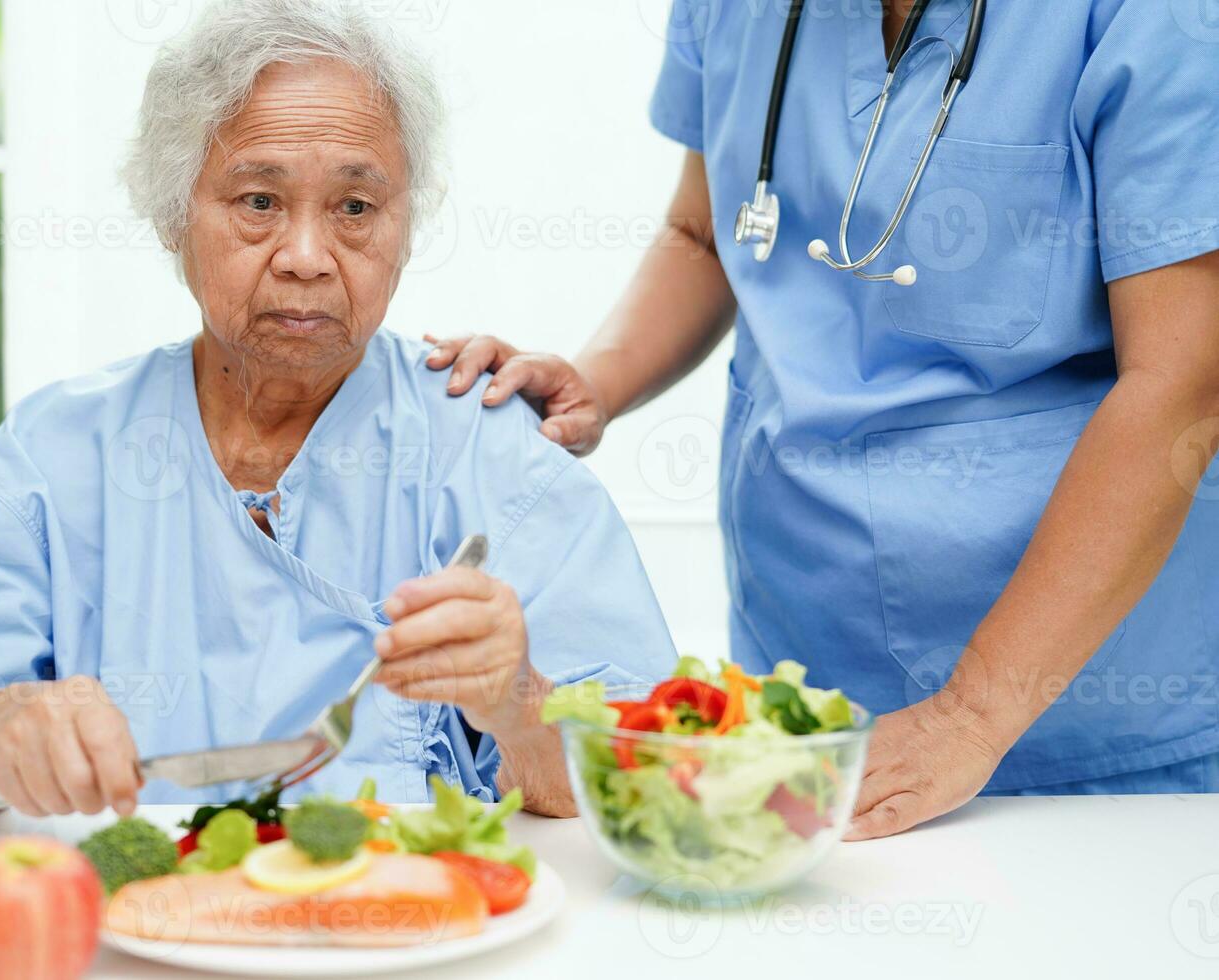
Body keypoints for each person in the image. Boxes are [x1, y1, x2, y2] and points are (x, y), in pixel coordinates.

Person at [0, 0, 675, 822]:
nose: (307, 258)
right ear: (175, 215)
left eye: (355, 208)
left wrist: (522, 705)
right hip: (132, 934)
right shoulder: (56, 453)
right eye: (258, 201)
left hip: (422, 937)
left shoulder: (488, 441)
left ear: (407, 225)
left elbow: (658, 777)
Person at [427, 0, 1219, 838]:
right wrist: (598, 379)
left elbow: (1181, 383)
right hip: (801, 672)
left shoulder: (1150, 18)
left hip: (1081, 719)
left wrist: (973, 714)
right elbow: (708, 231)